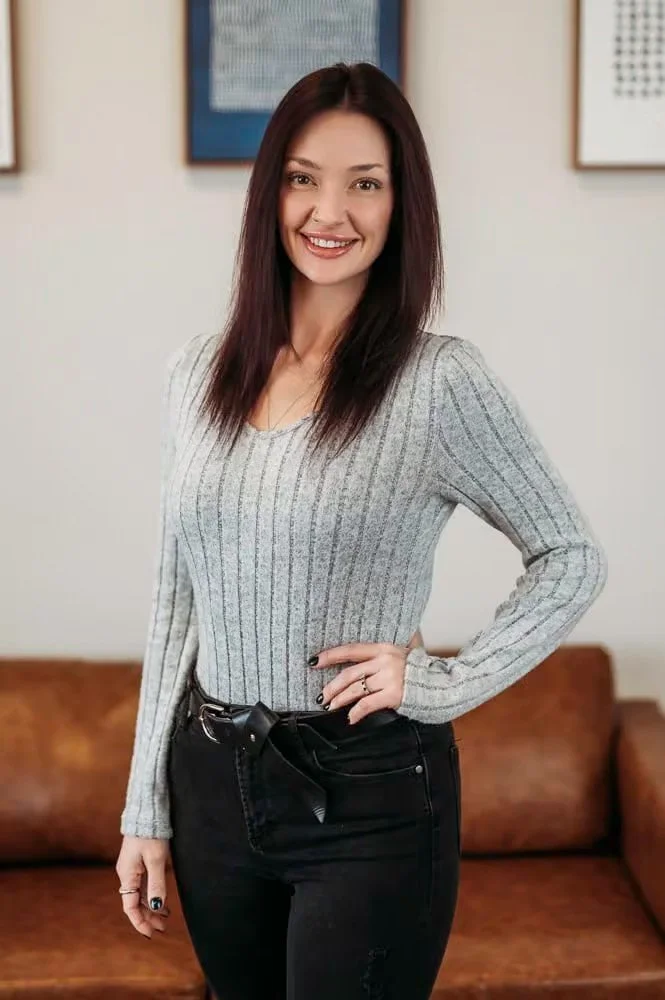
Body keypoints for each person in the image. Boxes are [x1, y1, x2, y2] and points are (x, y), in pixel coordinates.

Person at [115, 61, 608, 1000]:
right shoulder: (197, 373)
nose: (328, 211)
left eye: (365, 183)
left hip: (369, 792)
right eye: (302, 178)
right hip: (211, 782)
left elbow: (570, 556)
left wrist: (442, 681)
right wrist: (146, 805)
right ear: (269, 195)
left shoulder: (438, 382)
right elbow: (176, 595)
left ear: (400, 204)